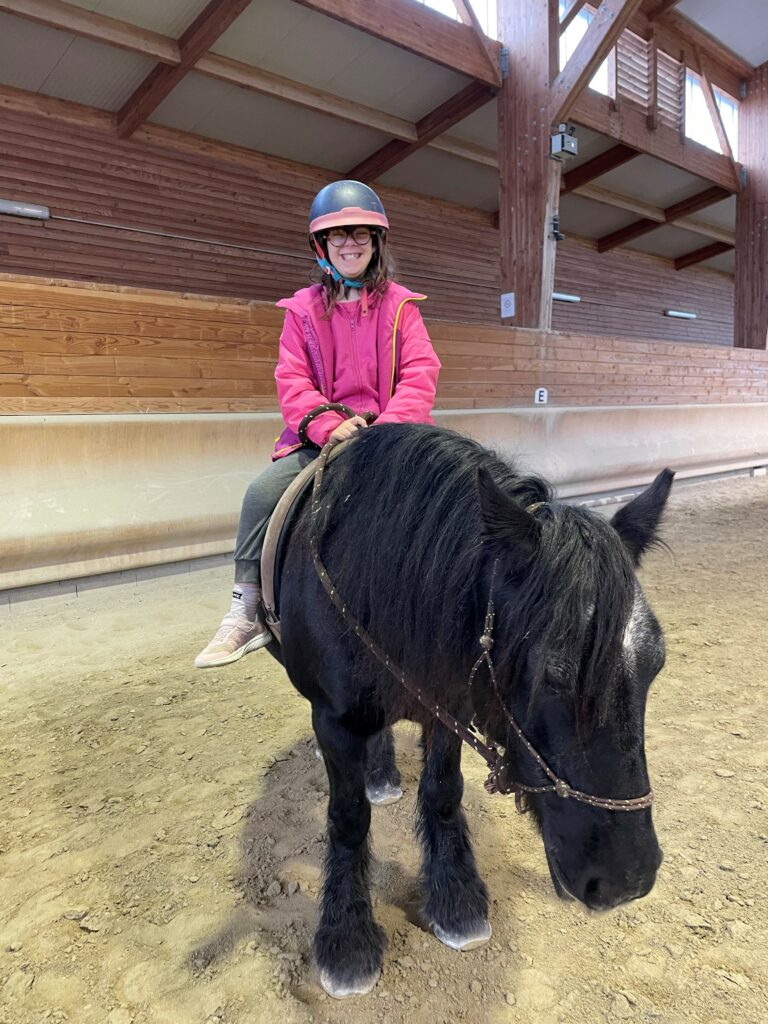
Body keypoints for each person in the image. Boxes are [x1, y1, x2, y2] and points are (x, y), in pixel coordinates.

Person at [195, 180, 441, 668]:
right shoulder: (301, 311)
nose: (350, 244)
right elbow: (292, 379)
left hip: (393, 438)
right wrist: (328, 425)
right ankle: (245, 606)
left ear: (376, 244)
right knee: (261, 493)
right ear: (322, 246)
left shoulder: (403, 309)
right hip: (322, 438)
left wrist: (386, 430)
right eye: (338, 237)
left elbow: (420, 374)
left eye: (360, 235)